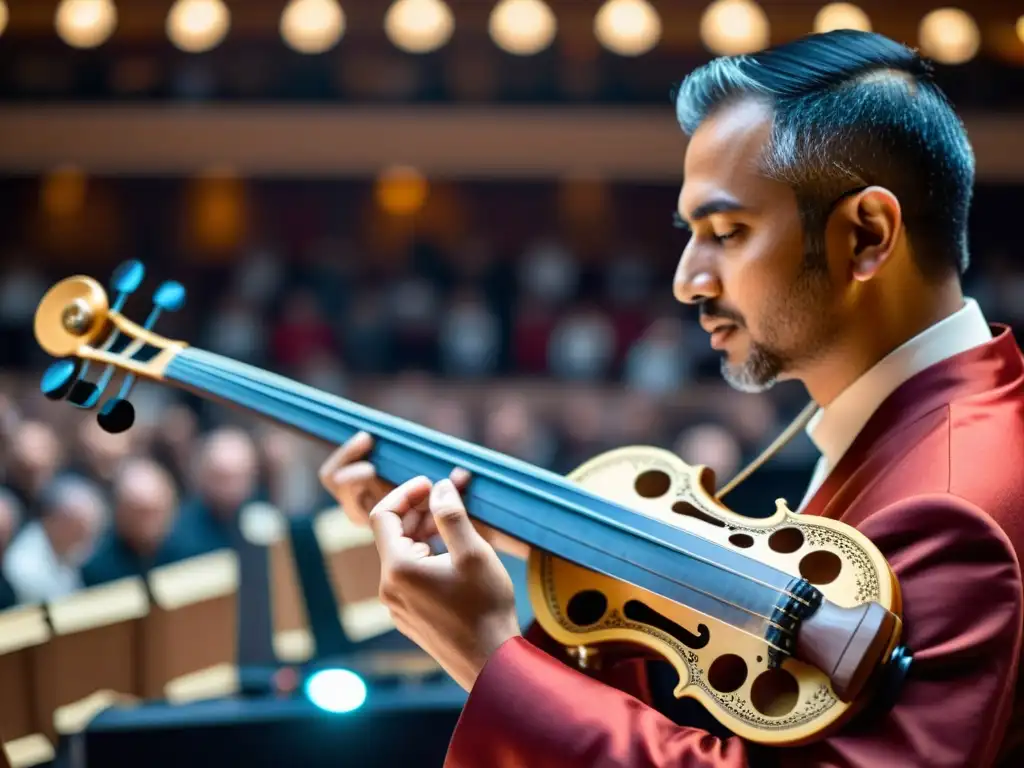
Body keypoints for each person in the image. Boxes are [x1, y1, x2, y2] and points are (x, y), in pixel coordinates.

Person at [318, 31, 1024, 767]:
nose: (689, 279)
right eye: (692, 234)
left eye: (727, 232)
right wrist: (535, 544)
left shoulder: (954, 509)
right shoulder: (913, 423)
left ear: (868, 235)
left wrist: (491, 658)